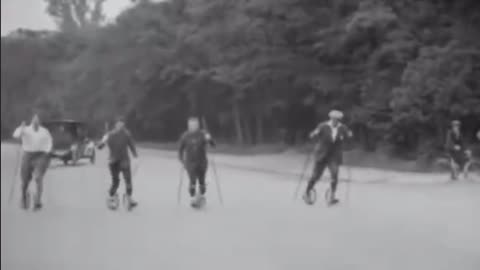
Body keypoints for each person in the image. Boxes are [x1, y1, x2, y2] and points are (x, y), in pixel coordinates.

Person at [303, 110, 353, 206]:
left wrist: (350, 136)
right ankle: (307, 192)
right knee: (316, 176)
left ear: (339, 119)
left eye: (337, 119)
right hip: (321, 154)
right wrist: (313, 135)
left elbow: (349, 136)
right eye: (334, 118)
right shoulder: (323, 126)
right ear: (331, 118)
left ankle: (332, 196)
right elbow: (313, 134)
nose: (335, 120)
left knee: (334, 174)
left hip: (334, 155)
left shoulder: (342, 128)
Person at [12, 114, 53, 211]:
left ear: (39, 122)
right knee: (25, 181)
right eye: (34, 121)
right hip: (28, 155)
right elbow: (16, 135)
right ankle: (24, 197)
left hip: (41, 155)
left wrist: (47, 151)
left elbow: (49, 141)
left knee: (38, 177)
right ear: (32, 121)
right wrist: (21, 129)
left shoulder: (44, 131)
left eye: (37, 121)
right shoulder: (25, 129)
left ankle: (38, 200)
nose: (36, 123)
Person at [97, 116, 139, 210]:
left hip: (123, 160)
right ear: (116, 124)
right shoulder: (110, 134)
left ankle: (128, 197)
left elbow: (131, 145)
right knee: (116, 182)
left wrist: (135, 156)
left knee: (127, 180)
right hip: (114, 161)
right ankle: (112, 197)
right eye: (119, 123)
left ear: (123, 124)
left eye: (121, 123)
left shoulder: (126, 134)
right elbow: (100, 146)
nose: (120, 125)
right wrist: (102, 142)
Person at [178, 117, 215, 207]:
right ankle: (193, 199)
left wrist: (209, 139)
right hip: (190, 162)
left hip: (202, 161)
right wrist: (181, 160)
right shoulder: (185, 136)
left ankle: (200, 196)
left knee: (202, 182)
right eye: (191, 125)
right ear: (188, 125)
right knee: (193, 180)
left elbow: (213, 145)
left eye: (194, 125)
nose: (192, 126)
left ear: (198, 125)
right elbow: (180, 149)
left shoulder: (203, 134)